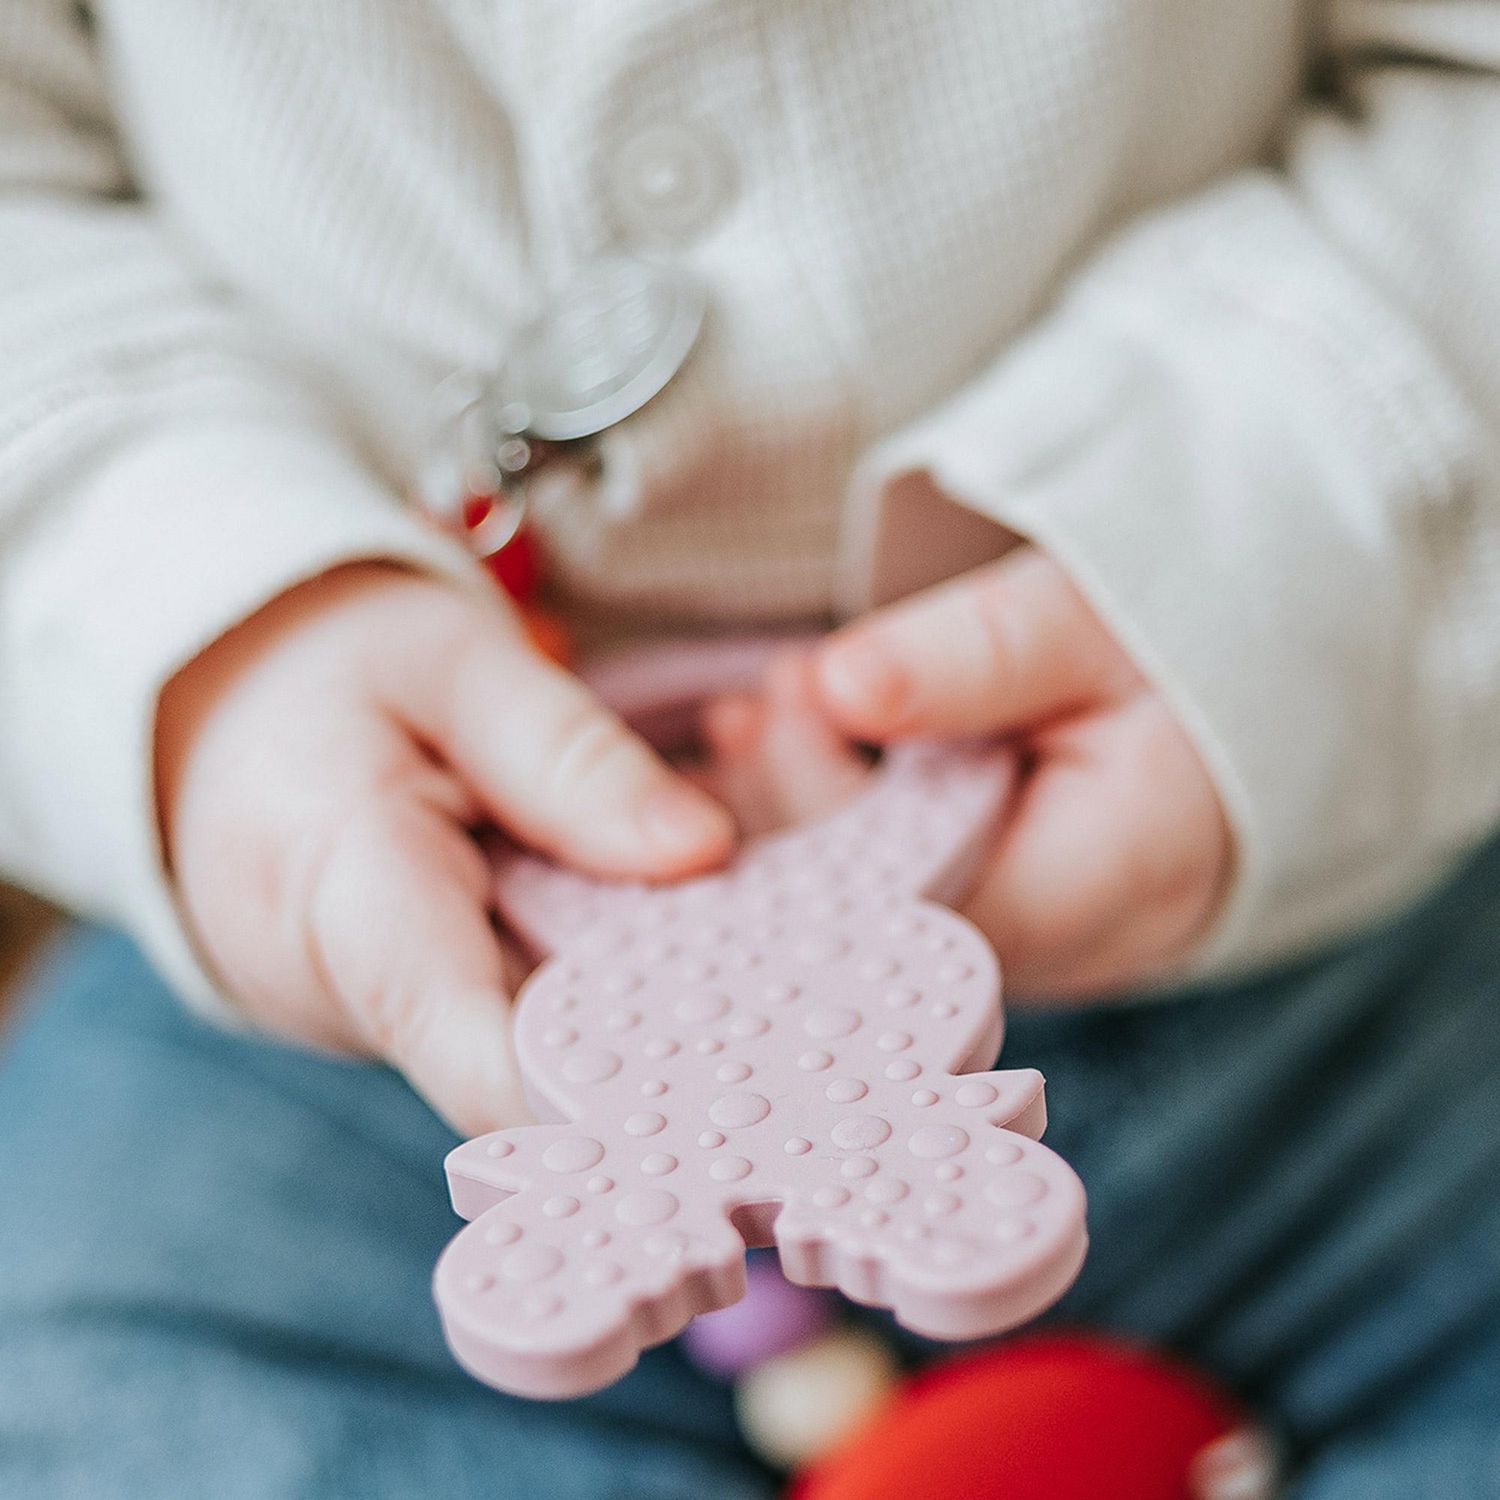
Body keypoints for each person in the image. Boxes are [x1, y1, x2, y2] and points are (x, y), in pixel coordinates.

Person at [1, 4, 1498, 1495]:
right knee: (95, 1395)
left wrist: (1289, 533)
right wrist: (210, 626)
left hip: (1347, 838)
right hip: (363, 908)